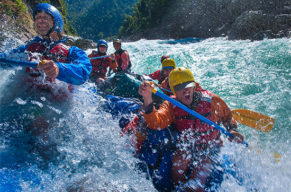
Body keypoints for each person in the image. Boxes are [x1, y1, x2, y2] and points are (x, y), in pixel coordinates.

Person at [0, 3, 91, 160]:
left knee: (39, 125)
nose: (40, 21)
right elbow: (7, 60)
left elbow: (83, 73)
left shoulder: (71, 51)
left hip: (56, 102)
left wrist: (59, 69)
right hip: (28, 98)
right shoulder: (29, 47)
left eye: (45, 18)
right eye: (37, 18)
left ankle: (44, 159)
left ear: (56, 23)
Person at [138, 67, 244, 191]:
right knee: (178, 167)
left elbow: (227, 116)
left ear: (194, 86)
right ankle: (176, 187)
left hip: (210, 147)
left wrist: (232, 130)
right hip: (187, 145)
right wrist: (147, 97)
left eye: (188, 86)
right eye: (179, 88)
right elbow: (156, 122)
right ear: (174, 92)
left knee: (201, 172)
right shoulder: (171, 104)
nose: (185, 90)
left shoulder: (211, 100)